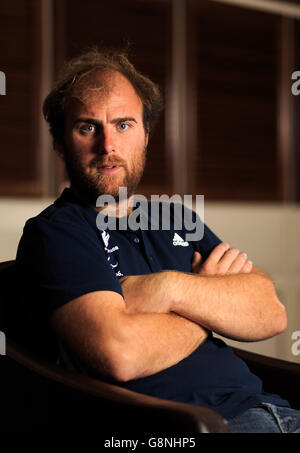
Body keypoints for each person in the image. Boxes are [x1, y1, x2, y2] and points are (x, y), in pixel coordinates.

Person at [16, 48, 300, 433]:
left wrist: (169, 290)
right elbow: (122, 353)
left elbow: (270, 312)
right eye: (87, 127)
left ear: (146, 135)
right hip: (200, 427)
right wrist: (207, 305)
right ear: (60, 142)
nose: (107, 146)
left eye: (124, 125)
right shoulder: (56, 233)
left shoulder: (176, 217)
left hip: (275, 405)